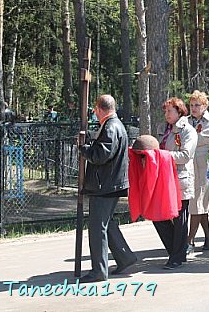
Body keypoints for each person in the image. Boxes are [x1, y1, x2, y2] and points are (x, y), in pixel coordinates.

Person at [78, 94, 137, 283]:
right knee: (106, 223)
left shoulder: (111, 127)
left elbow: (101, 155)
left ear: (99, 109)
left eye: (95, 110)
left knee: (97, 227)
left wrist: (84, 149)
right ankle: (124, 257)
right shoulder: (113, 125)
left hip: (105, 186)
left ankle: (99, 271)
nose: (94, 113)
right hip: (109, 183)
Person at [154, 97, 198, 269]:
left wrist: (162, 156)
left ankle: (177, 256)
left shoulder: (188, 131)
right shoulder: (164, 129)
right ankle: (175, 250)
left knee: (180, 219)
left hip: (180, 179)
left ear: (179, 112)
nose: (166, 114)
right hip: (163, 178)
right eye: (165, 111)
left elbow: (185, 156)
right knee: (159, 215)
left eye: (169, 111)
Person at [187, 90, 209, 254]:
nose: (193, 108)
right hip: (188, 166)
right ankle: (208, 236)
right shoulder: (184, 122)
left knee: (198, 203)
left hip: (205, 166)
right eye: (191, 105)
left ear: (205, 106)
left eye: (197, 105)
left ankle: (189, 240)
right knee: (198, 203)